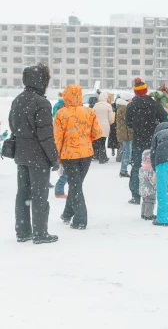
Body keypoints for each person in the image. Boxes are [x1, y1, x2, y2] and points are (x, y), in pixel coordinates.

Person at [9, 63, 60, 244]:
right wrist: (53, 158)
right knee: (39, 195)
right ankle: (40, 233)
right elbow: (45, 135)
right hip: (38, 157)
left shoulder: (18, 99)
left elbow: (13, 125)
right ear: (42, 81)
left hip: (21, 155)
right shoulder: (42, 102)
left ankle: (23, 231)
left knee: (23, 193)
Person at [55, 85, 103, 230]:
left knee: (75, 186)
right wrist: (85, 139)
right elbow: (98, 133)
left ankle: (80, 219)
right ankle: (67, 213)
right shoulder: (89, 111)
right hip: (86, 154)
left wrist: (57, 157)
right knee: (76, 185)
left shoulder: (61, 113)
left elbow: (58, 138)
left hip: (69, 155)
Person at [126, 78, 168, 204]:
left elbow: (128, 122)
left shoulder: (131, 106)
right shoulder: (154, 104)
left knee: (137, 167)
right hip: (153, 141)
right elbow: (164, 119)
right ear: (146, 90)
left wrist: (137, 126)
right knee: (157, 166)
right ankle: (162, 191)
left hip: (138, 141)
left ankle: (135, 194)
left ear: (135, 92)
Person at [93, 92, 114, 164]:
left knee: (98, 141)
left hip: (96, 125)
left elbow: (92, 115)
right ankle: (102, 158)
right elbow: (111, 118)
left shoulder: (96, 105)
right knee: (103, 142)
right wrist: (110, 123)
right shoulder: (108, 106)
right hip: (105, 125)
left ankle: (98, 156)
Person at [116, 93, 133, 178]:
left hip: (124, 132)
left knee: (126, 151)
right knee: (127, 151)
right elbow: (128, 122)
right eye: (130, 99)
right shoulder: (125, 107)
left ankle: (123, 169)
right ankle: (123, 170)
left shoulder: (120, 107)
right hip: (127, 133)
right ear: (127, 100)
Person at [138, 150, 157, 221]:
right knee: (150, 201)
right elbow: (152, 180)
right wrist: (155, 186)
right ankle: (148, 215)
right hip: (149, 189)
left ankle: (143, 213)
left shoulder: (141, 168)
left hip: (142, 188)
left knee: (145, 201)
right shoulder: (151, 169)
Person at [108, 94, 120, 159]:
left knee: (112, 138)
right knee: (118, 139)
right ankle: (117, 150)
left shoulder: (112, 106)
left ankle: (113, 149)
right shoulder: (120, 106)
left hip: (112, 124)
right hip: (117, 124)